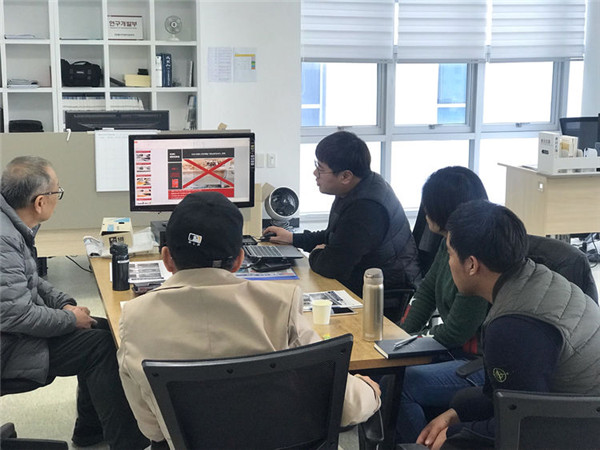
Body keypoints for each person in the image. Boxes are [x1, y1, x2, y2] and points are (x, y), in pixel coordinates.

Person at [118, 191, 382, 448]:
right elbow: (347, 406)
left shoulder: (134, 318)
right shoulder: (279, 304)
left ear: (167, 259)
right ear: (239, 260)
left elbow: (152, 428)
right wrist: (369, 391)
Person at [417, 200, 600, 450]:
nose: (448, 264)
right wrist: (457, 415)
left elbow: (524, 424)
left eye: (450, 254)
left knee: (452, 442)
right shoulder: (537, 276)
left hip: (580, 428)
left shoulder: (513, 326)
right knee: (461, 404)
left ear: (471, 265)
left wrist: (455, 433)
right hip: (576, 406)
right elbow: (513, 396)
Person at [0, 156, 148, 449]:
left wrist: (64, 304)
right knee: (101, 346)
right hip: (8, 345)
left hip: (10, 332)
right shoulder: (4, 239)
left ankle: (90, 432)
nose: (59, 197)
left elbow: (29, 280)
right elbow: (16, 316)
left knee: (103, 329)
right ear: (40, 202)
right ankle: (127, 444)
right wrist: (70, 320)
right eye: (57, 191)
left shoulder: (10, 225)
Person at [395, 167, 490, 443]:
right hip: (454, 352)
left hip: (477, 363)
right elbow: (426, 291)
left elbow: (456, 332)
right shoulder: (450, 241)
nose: (425, 213)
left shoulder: (476, 257)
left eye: (428, 206)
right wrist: (400, 336)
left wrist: (411, 342)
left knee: (402, 383)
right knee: (385, 371)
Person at [264, 131, 420, 296]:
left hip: (383, 294)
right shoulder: (358, 187)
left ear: (345, 176)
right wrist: (292, 238)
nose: (315, 173)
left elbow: (331, 266)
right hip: (362, 281)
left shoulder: (366, 208)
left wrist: (317, 252)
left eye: (321, 169)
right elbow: (335, 236)